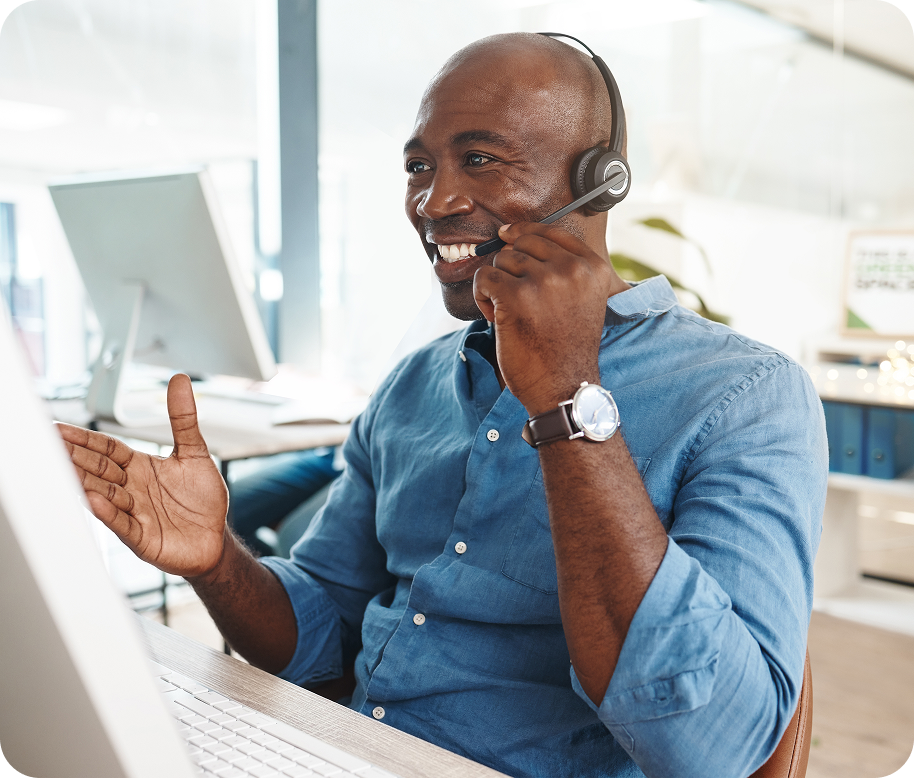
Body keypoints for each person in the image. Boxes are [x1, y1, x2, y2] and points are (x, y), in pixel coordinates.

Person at [57, 33, 826, 778]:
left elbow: (713, 751)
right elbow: (322, 630)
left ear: (599, 181)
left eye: (481, 160)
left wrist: (566, 394)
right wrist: (216, 559)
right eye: (419, 166)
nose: (434, 201)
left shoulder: (743, 398)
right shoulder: (408, 388)